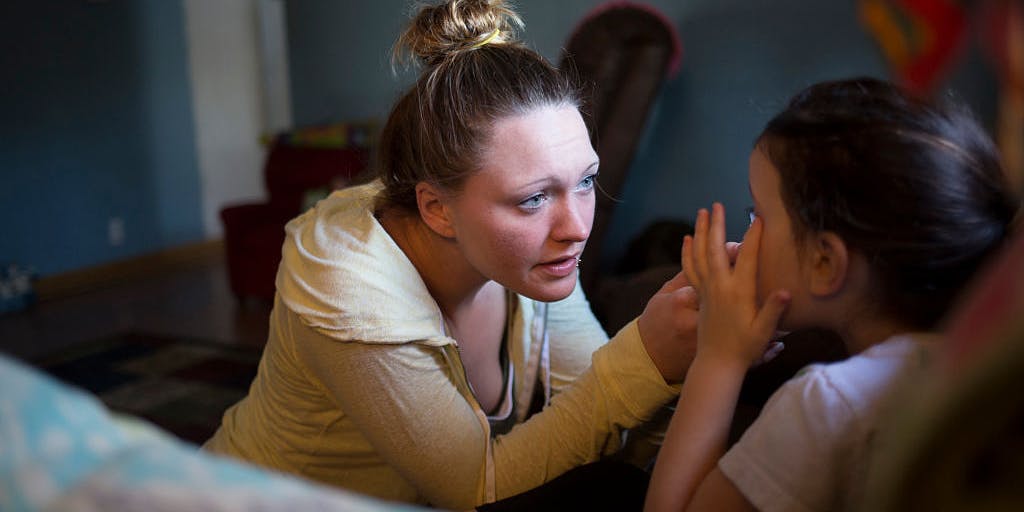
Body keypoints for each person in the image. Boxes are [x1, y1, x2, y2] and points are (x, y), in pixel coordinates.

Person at [203, 1, 701, 509]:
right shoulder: (348, 289)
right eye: (533, 198)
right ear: (436, 209)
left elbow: (614, 429)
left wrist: (702, 355)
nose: (576, 229)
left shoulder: (523, 257)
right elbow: (477, 490)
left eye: (586, 181)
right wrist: (646, 356)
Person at [644, 77, 1020, 512]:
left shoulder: (826, 405)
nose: (743, 241)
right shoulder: (980, 362)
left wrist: (719, 356)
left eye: (758, 215)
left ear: (825, 263)